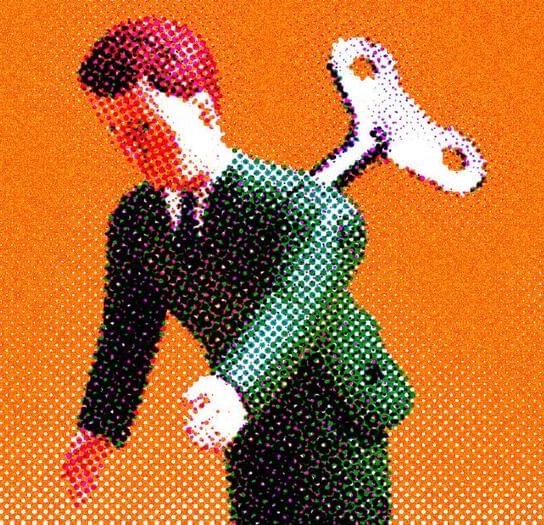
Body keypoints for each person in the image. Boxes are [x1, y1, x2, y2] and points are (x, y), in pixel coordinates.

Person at [61, 17, 415, 523]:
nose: (131, 149)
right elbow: (127, 332)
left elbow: (295, 303)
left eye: (143, 127)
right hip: (246, 416)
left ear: (203, 111)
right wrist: (97, 428)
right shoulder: (138, 221)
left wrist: (234, 385)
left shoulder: (311, 212)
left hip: (332, 404)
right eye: (115, 131)